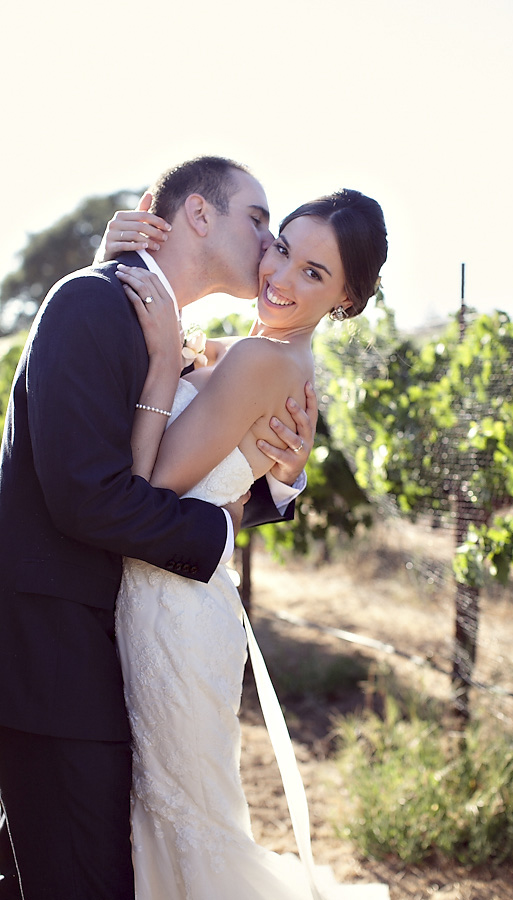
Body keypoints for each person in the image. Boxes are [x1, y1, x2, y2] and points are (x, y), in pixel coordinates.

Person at [0, 156, 317, 900]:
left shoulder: (172, 329)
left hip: (128, 650)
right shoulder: (92, 301)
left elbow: (189, 459)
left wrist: (280, 479)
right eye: (259, 220)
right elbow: (86, 496)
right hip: (55, 660)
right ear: (198, 215)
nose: (271, 246)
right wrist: (217, 540)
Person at [100, 187, 390, 898]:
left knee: (181, 819)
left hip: (171, 612)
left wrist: (168, 358)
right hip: (163, 599)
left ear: (346, 301)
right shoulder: (246, 351)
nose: (281, 278)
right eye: (284, 249)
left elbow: (154, 481)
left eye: (314, 275)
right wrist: (112, 267)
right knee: (163, 814)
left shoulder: (265, 361)